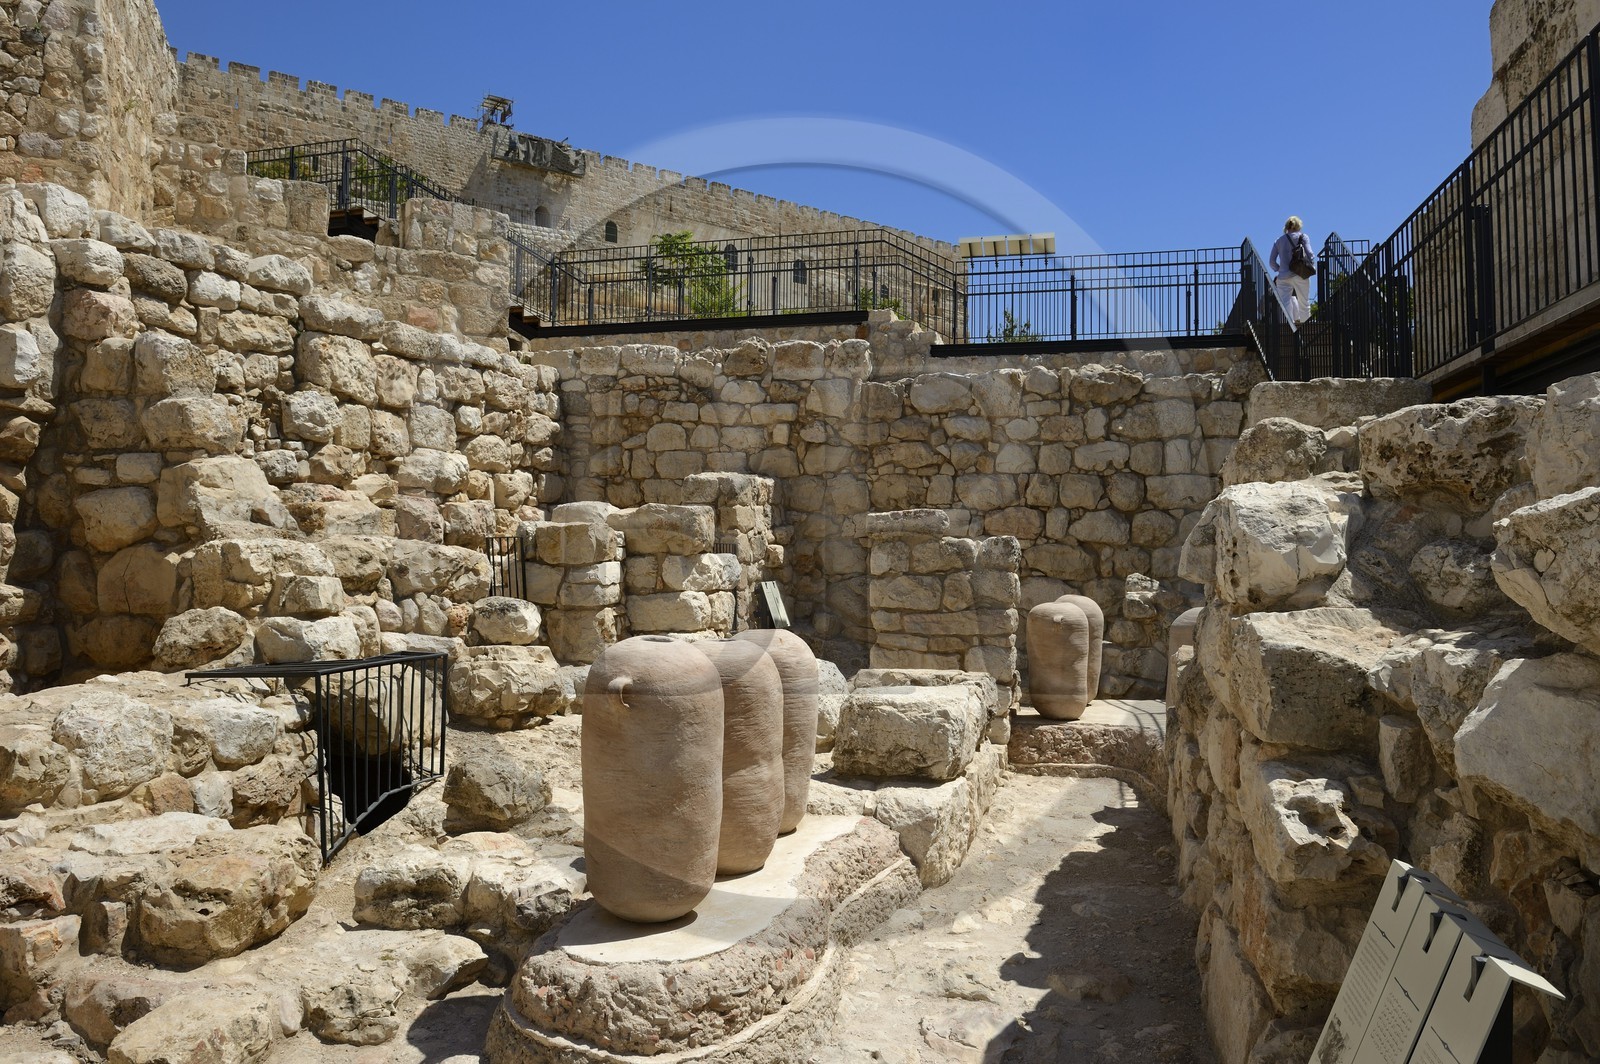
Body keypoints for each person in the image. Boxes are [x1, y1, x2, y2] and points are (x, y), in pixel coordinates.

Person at [1270, 216, 1314, 326]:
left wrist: (1279, 268)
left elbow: (1271, 261)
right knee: (1304, 303)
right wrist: (1310, 265)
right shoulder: (1303, 237)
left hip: (1283, 276)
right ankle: (1306, 328)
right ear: (1299, 225)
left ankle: (1287, 328)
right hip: (1300, 274)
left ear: (1286, 226)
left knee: (1285, 304)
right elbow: (1310, 254)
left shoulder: (1278, 241)